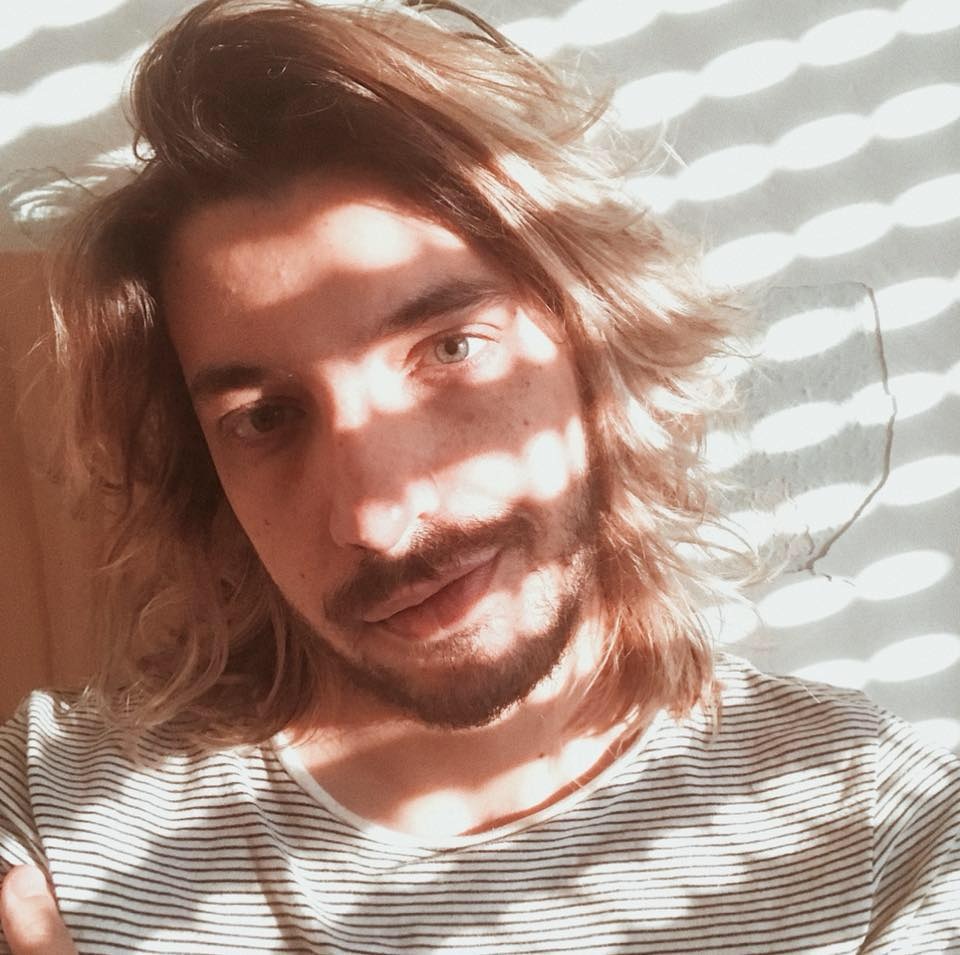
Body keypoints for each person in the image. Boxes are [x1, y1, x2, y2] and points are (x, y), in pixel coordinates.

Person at [1, 0, 957, 952]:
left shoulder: (882, 834)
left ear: (594, 340)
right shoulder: (56, 812)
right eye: (265, 418)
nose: (378, 515)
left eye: (451, 348)